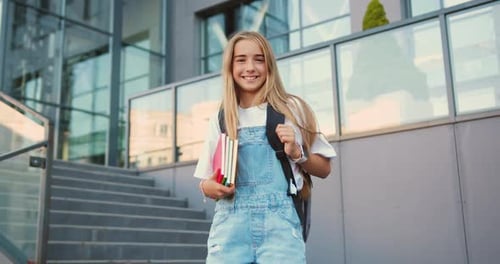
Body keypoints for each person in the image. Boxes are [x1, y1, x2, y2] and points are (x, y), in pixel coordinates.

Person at [193, 31, 336, 263]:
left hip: (280, 230)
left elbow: (325, 168)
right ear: (230, 67)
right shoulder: (220, 119)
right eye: (241, 60)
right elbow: (207, 182)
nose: (250, 67)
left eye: (259, 59)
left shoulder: (292, 109)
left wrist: (298, 153)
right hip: (229, 230)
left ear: (269, 65)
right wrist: (211, 187)